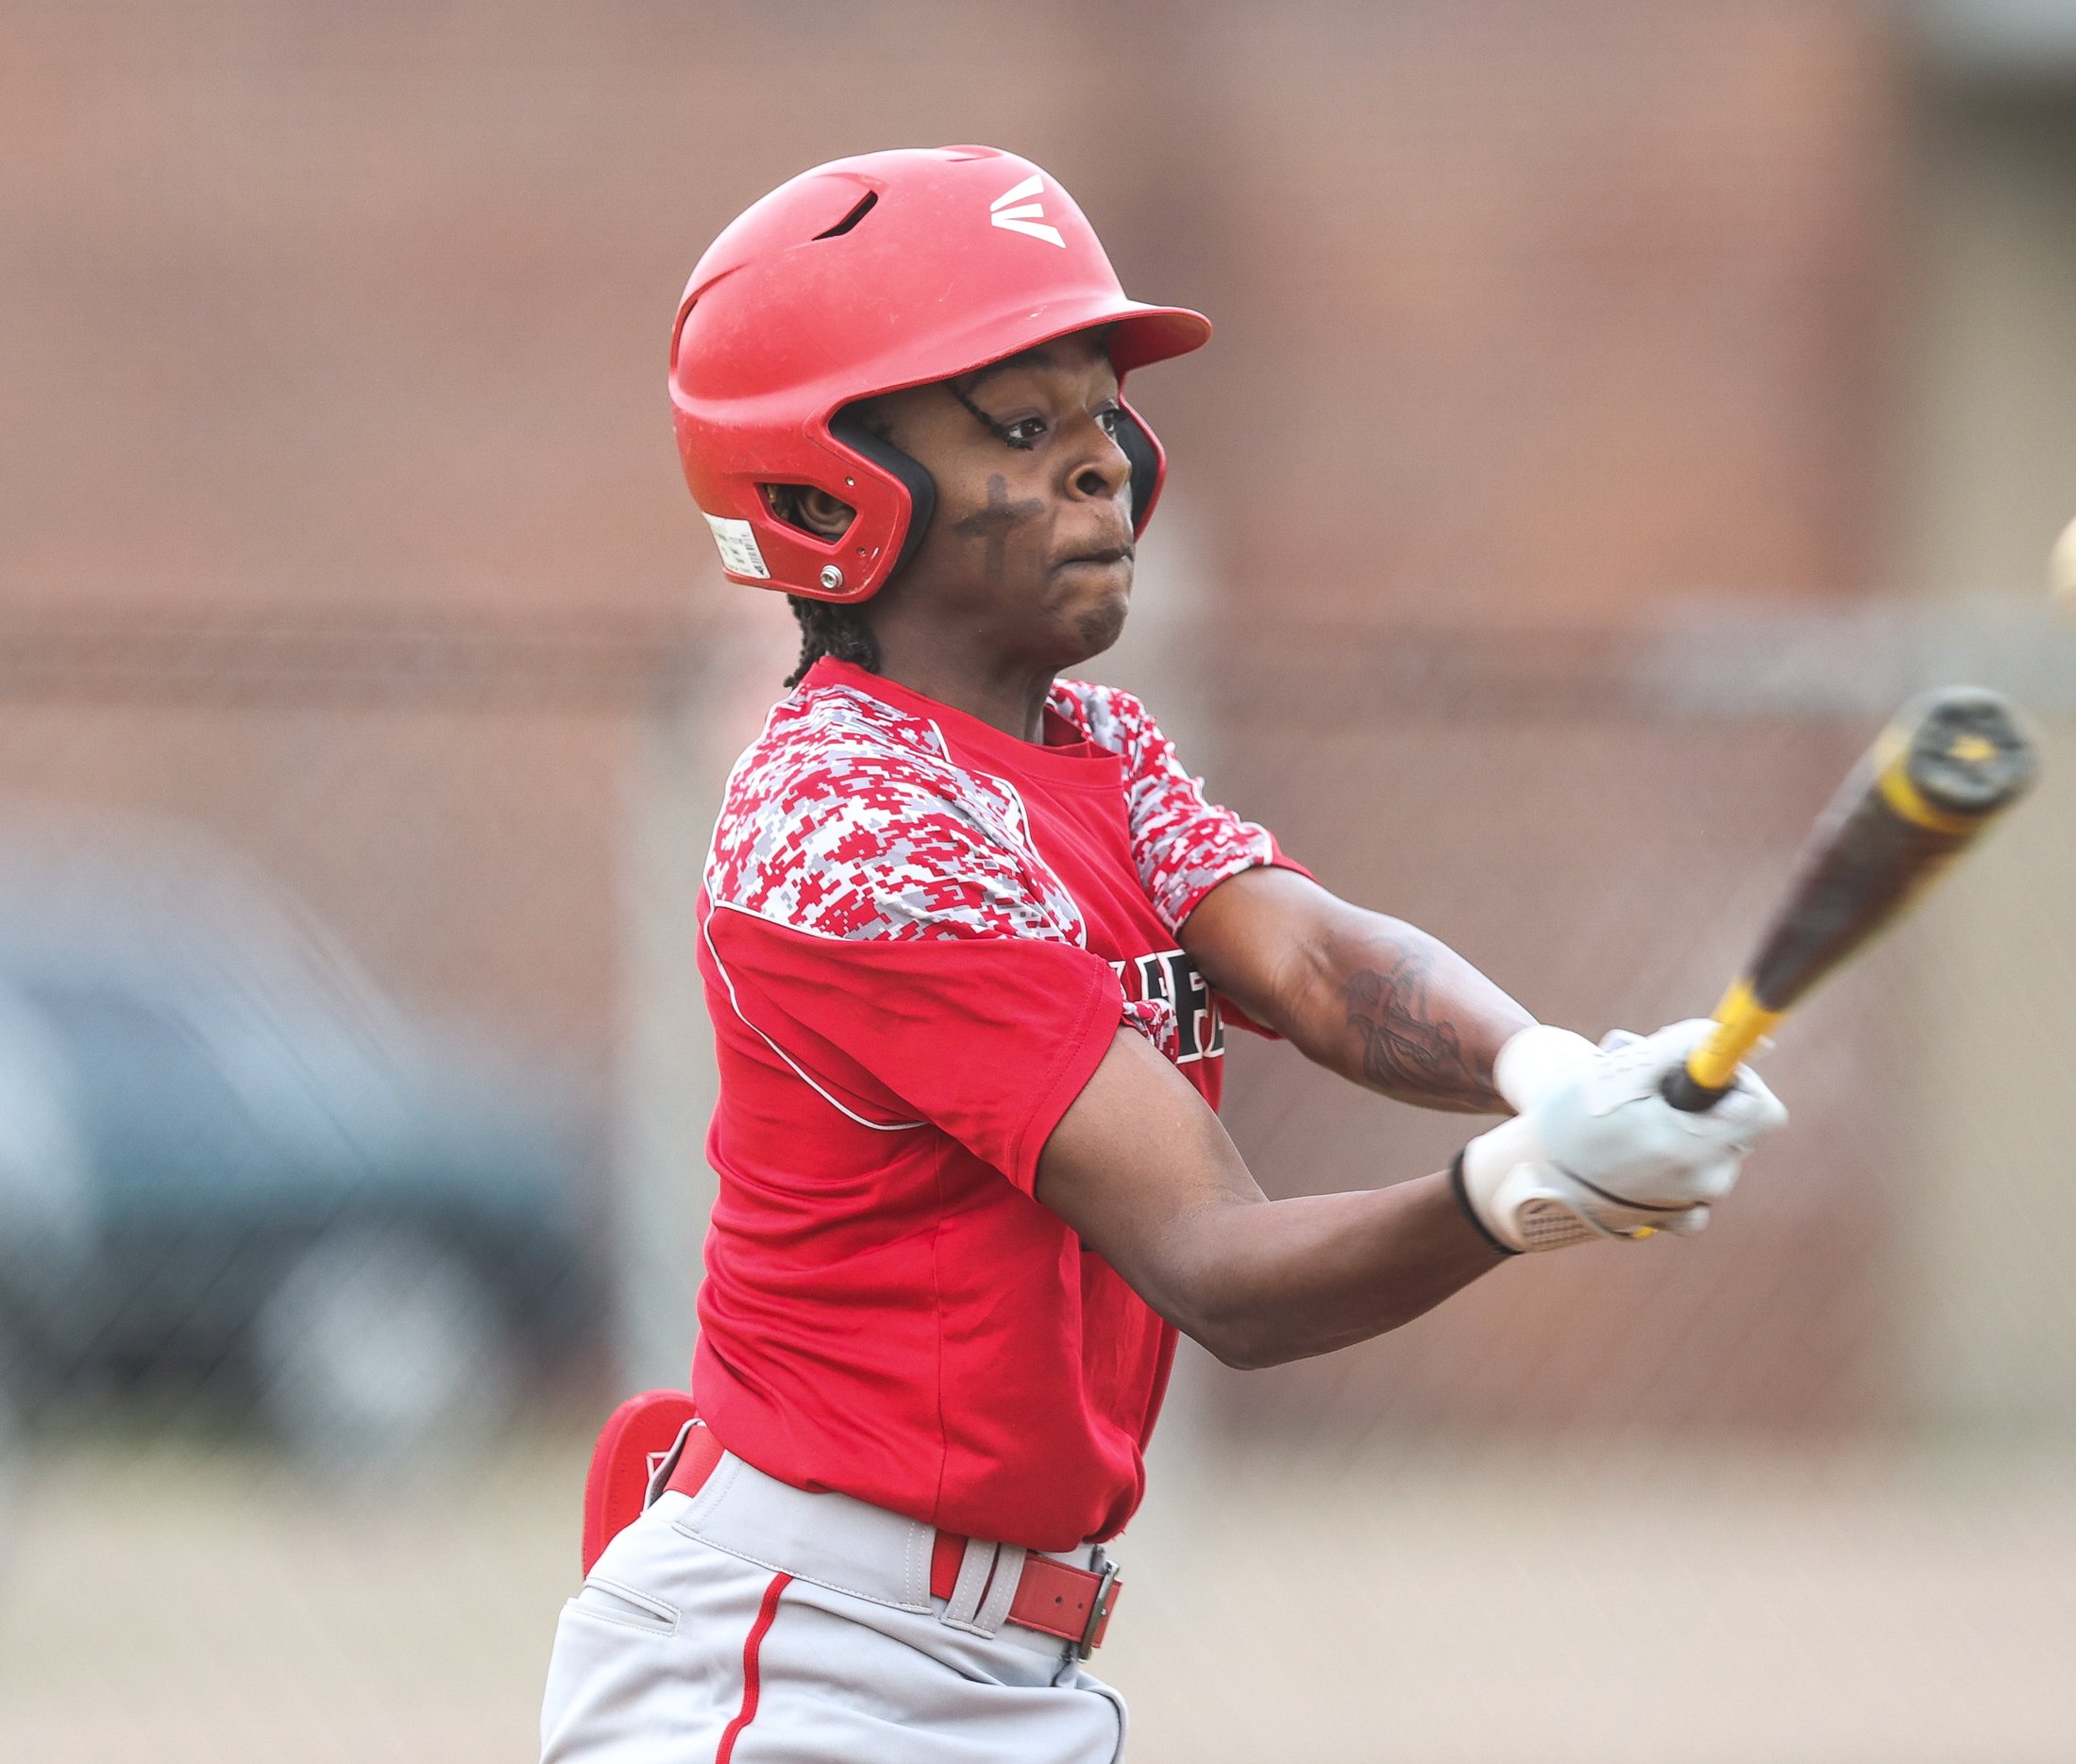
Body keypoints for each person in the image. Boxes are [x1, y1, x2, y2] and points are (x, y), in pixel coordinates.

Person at [538, 146, 1785, 1764]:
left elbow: (1309, 959)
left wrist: (1544, 1066)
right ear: (824, 493)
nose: (1102, 462)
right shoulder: (846, 818)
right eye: (1019, 424)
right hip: (803, 1662)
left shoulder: (1095, 747)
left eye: (1102, 411)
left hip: (981, 1663)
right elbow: (1214, 1263)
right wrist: (1523, 1188)